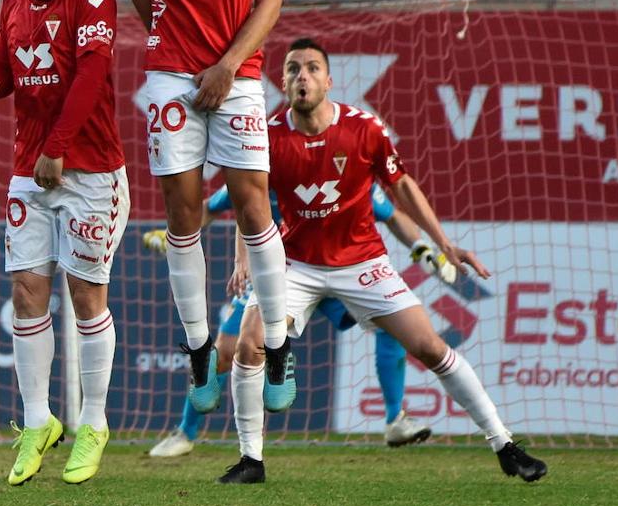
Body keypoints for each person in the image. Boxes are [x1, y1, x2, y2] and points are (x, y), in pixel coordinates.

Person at [216, 37, 546, 484]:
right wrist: (244, 260)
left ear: (329, 81)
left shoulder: (364, 129)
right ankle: (250, 460)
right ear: (284, 81)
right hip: (295, 263)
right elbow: (247, 203)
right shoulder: (268, 137)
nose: (302, 77)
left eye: (313, 68)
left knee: (431, 348)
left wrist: (443, 242)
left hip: (362, 262)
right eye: (293, 69)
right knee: (248, 343)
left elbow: (402, 186)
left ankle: (505, 445)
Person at [127, 0, 295, 415]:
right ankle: (199, 349)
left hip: (240, 78)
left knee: (254, 201)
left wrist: (225, 65)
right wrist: (172, 51)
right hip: (172, 80)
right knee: (183, 211)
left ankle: (277, 341)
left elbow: (269, 5)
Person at [0, 0, 129, 485]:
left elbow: (91, 78)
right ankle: (39, 421)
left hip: (88, 173)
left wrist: (57, 146)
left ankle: (93, 422)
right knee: (26, 290)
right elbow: (6, 60)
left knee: (86, 296)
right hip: (28, 170)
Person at [146, 184, 459, 456]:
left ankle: (395, 419)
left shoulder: (338, 177)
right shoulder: (252, 175)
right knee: (226, 352)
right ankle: (185, 433)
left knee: (389, 324)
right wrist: (178, 237)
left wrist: (421, 247)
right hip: (281, 275)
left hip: (338, 272)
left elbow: (392, 214)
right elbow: (220, 210)